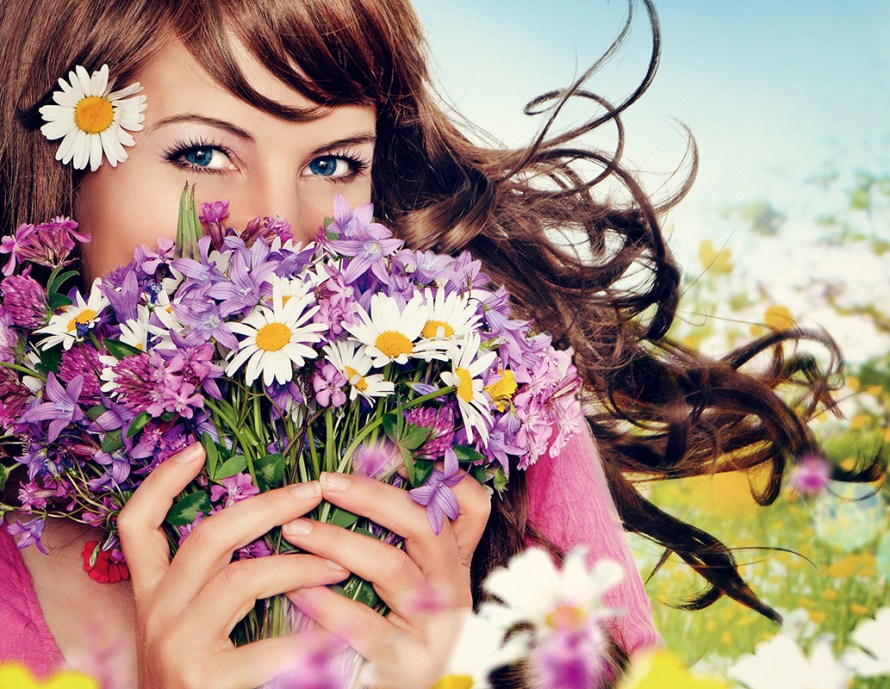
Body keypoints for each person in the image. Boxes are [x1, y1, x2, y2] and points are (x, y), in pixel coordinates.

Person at [0, 0, 851, 687]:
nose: (278, 227)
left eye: (333, 163)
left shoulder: (510, 434)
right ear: (61, 165)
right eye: (201, 152)